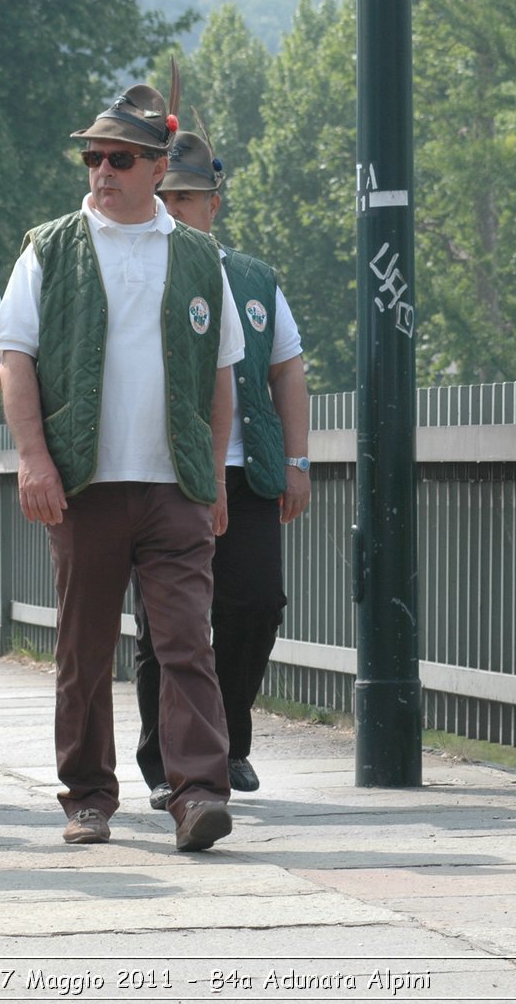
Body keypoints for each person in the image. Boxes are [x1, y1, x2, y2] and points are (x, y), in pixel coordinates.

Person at [0, 82, 244, 852]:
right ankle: (88, 797)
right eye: (94, 156)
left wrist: (216, 477)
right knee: (84, 647)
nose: (102, 170)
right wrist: (33, 459)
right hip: (83, 485)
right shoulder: (50, 246)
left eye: (120, 158)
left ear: (157, 166)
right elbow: (15, 358)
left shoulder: (198, 255)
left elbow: (222, 373)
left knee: (186, 643)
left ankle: (199, 792)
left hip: (175, 487)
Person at [131, 128, 312, 809]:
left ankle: (227, 741)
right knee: (164, 622)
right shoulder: (142, 270)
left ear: (215, 205)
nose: (178, 209)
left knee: (257, 604)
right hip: (167, 471)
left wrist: (296, 459)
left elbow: (286, 369)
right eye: (167, 196)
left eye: (190, 198)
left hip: (247, 471)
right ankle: (163, 760)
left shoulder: (254, 278)